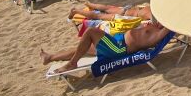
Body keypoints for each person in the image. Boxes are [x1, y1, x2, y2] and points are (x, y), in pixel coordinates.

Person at [41, 20, 170, 73]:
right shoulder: (154, 26)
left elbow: (169, 27)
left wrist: (165, 26)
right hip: (116, 41)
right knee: (81, 49)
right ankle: (50, 57)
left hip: (118, 48)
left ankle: (72, 63)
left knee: (91, 31)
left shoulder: (158, 34)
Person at [68, 1, 152, 22]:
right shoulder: (153, 14)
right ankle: (76, 11)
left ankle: (89, 4)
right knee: (98, 16)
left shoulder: (152, 7)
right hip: (124, 16)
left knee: (106, 8)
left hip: (127, 9)